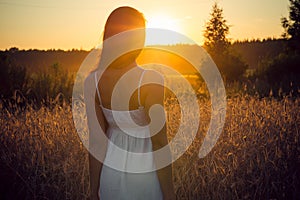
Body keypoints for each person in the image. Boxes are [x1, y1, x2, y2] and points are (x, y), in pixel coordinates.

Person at [84, 6, 175, 200]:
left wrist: (93, 192)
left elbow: (97, 142)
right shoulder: (151, 80)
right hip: (146, 176)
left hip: (111, 175)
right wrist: (169, 194)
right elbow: (159, 141)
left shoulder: (92, 82)